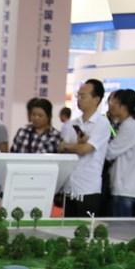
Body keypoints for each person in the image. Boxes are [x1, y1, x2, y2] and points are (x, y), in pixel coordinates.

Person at [58, 79, 111, 217]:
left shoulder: (102, 123)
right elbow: (61, 148)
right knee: (67, 226)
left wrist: (71, 146)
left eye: (83, 96)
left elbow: (84, 150)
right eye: (78, 96)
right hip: (69, 186)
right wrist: (74, 146)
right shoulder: (72, 123)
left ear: (96, 99)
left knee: (85, 227)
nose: (79, 99)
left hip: (88, 187)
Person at [104, 89, 135, 217]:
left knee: (121, 227)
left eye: (115, 102)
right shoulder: (125, 125)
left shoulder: (129, 126)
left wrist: (91, 143)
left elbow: (109, 152)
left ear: (124, 106)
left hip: (125, 189)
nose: (111, 104)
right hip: (123, 187)